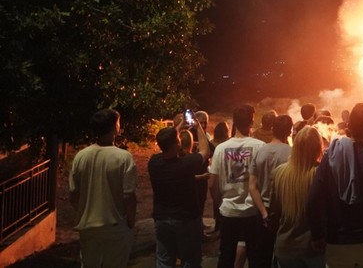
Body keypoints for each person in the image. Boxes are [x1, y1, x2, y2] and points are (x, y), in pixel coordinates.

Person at [308, 102, 363, 268]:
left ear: (349, 125)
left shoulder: (332, 157)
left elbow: (313, 199)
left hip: (339, 243)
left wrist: (317, 236)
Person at [70, 109, 137, 268]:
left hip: (88, 227)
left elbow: (74, 194)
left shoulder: (81, 156)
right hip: (115, 226)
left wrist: (84, 212)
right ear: (115, 127)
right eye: (118, 122)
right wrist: (131, 221)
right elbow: (129, 195)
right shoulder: (123, 157)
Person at [209, 104, 267, 268]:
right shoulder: (260, 146)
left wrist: (219, 203)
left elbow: (212, 182)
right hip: (252, 211)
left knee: (226, 255)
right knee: (255, 257)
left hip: (228, 211)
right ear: (252, 122)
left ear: (234, 122)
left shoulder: (220, 149)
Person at [149, 118, 210, 268]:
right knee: (190, 259)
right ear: (178, 144)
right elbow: (205, 150)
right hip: (186, 219)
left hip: (162, 219)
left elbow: (164, 145)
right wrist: (198, 127)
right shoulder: (186, 164)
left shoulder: (154, 163)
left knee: (164, 259)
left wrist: (178, 127)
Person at [270, 126, 324, 268]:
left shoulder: (279, 173)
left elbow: (274, 211)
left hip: (285, 247)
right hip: (314, 248)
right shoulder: (320, 174)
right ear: (318, 147)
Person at [250, 113, 294, 265]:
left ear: (273, 129)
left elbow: (252, 186)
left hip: (262, 211)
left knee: (262, 256)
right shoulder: (292, 153)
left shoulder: (260, 151)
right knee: (283, 257)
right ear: (289, 132)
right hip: (284, 212)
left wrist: (263, 212)